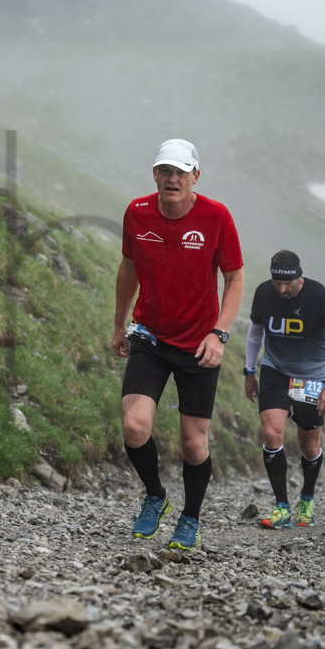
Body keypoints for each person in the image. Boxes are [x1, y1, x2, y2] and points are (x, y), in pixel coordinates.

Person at [111, 138, 245, 550]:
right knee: (134, 426)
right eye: (165, 171)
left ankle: (190, 517)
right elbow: (128, 268)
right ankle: (155, 495)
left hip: (199, 344)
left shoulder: (216, 216)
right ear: (155, 174)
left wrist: (219, 333)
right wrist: (119, 325)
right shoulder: (137, 212)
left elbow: (235, 278)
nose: (172, 179)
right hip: (149, 335)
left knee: (193, 443)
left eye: (180, 172)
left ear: (195, 177)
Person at [243, 249, 325, 528]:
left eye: (287, 284)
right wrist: (250, 371)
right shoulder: (264, 293)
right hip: (275, 371)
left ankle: (307, 498)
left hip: (313, 377)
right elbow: (255, 334)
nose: (282, 289)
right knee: (271, 432)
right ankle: (281, 507)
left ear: (299, 277)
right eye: (277, 283)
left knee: (309, 442)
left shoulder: (318, 295)